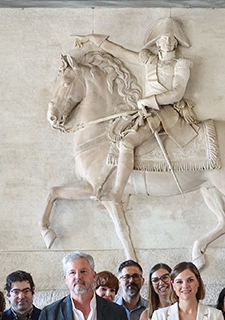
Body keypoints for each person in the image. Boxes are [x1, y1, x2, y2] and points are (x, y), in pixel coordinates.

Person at [74, 16, 198, 201]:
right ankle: (99, 181)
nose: (168, 42)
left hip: (166, 112)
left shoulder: (181, 65)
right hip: (145, 111)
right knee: (115, 135)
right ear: (157, 42)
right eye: (164, 38)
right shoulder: (149, 60)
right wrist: (92, 38)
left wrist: (149, 100)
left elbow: (177, 93)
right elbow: (120, 52)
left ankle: (117, 192)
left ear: (176, 42)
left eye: (172, 39)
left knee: (127, 142)